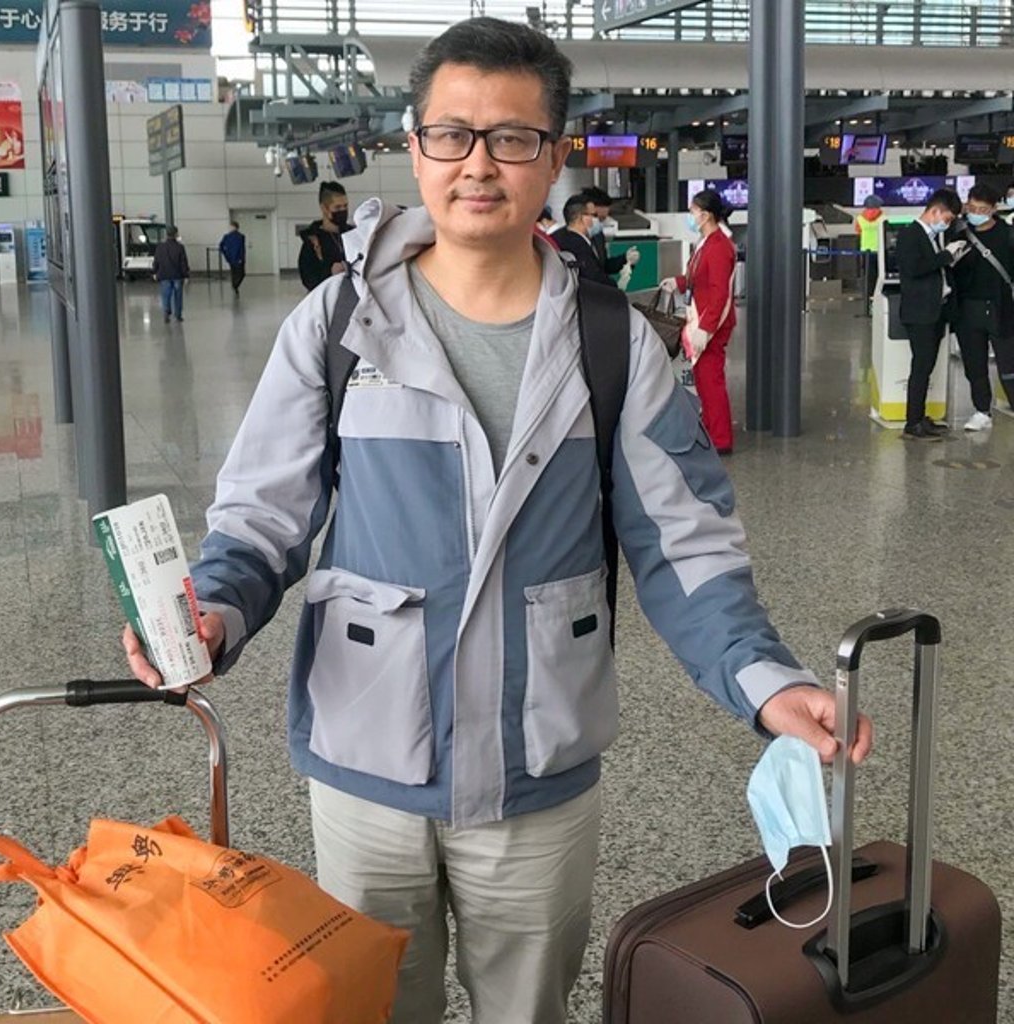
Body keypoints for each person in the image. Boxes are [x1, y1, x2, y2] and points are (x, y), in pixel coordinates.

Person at [123, 18, 872, 1023]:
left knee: (527, 1008)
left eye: (513, 138)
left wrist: (764, 679)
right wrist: (213, 611)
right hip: (368, 764)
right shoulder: (339, 325)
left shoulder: (612, 344)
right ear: (414, 146)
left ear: (554, 158)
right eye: (452, 134)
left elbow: (685, 545)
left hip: (536, 768)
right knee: (372, 1007)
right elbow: (264, 517)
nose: (478, 164)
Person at [661, 189, 738, 455]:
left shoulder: (719, 247)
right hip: (702, 320)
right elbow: (698, 277)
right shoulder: (706, 242)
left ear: (706, 215)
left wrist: (705, 329)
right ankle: (712, 428)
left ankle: (721, 438)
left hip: (711, 325)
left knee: (711, 381)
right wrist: (678, 282)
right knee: (705, 381)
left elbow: (719, 293)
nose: (690, 216)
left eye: (693, 211)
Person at [895, 187, 968, 441]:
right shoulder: (910, 234)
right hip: (920, 313)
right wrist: (945, 256)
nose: (947, 223)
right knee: (921, 367)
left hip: (936, 311)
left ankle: (920, 417)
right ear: (935, 211)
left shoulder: (933, 237)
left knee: (927, 367)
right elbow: (913, 268)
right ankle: (912, 423)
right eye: (946, 218)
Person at [952, 183, 1014, 428]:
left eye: (982, 209)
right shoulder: (959, 234)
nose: (976, 213)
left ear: (994, 209)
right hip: (968, 308)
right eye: (972, 208)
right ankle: (981, 411)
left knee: (1008, 364)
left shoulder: (1008, 235)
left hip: (1001, 307)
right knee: (974, 364)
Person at [552, 193, 617, 287]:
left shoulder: (583, 241)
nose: (597, 220)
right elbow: (594, 278)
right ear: (580, 217)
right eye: (594, 215)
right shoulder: (575, 246)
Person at [298, 180, 351, 291]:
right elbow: (308, 279)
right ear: (324, 208)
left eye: (345, 206)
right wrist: (330, 272)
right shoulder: (312, 242)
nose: (343, 210)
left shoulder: (353, 234)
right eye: (337, 207)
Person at [151, 225, 190, 324]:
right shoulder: (180, 247)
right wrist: (186, 275)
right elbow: (183, 262)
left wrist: (154, 272)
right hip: (177, 275)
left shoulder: (160, 247)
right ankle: (178, 315)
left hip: (164, 275)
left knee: (166, 295)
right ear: (176, 234)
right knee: (178, 296)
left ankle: (166, 312)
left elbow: (156, 260)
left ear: (166, 234)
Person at [855, 194, 883, 315]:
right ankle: (878, 301)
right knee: (879, 277)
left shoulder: (859, 219)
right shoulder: (883, 218)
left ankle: (868, 303)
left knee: (867, 278)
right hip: (880, 252)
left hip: (865, 252)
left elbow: (858, 232)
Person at [219, 220, 246, 294]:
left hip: (231, 258)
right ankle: (235, 285)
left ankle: (235, 285)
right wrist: (242, 258)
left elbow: (221, 246)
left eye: (230, 226)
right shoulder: (240, 236)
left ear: (234, 227)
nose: (229, 228)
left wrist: (226, 254)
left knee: (234, 272)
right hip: (238, 258)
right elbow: (242, 249)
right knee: (241, 273)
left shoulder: (227, 236)